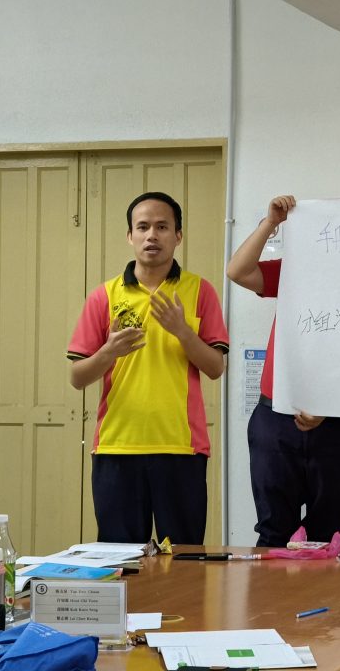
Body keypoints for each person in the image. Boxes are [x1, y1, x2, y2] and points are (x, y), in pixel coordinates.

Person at [67, 192, 229, 544]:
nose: (151, 235)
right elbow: (77, 377)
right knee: (121, 561)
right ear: (130, 236)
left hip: (182, 448)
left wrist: (182, 332)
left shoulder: (200, 291)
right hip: (117, 447)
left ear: (178, 236)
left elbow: (216, 367)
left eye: (162, 227)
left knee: (185, 560)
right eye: (142, 227)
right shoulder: (104, 296)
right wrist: (108, 352)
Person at [226, 195, 340, 547]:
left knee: (329, 531)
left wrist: (329, 407)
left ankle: (325, 587)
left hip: (337, 423)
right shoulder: (296, 270)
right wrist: (270, 223)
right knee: (273, 531)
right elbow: (237, 271)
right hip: (275, 418)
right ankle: (271, 589)